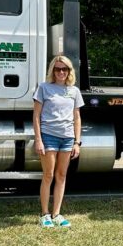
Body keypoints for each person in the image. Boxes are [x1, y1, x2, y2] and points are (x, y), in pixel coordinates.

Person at [33, 55, 84, 228]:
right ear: (52, 71)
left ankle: (56, 214)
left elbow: (77, 118)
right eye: (58, 69)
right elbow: (36, 116)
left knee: (61, 176)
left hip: (67, 138)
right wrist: (38, 140)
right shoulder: (43, 88)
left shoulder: (74, 91)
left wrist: (77, 142)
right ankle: (44, 214)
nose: (61, 72)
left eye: (65, 69)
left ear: (69, 71)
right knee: (48, 175)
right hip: (48, 136)